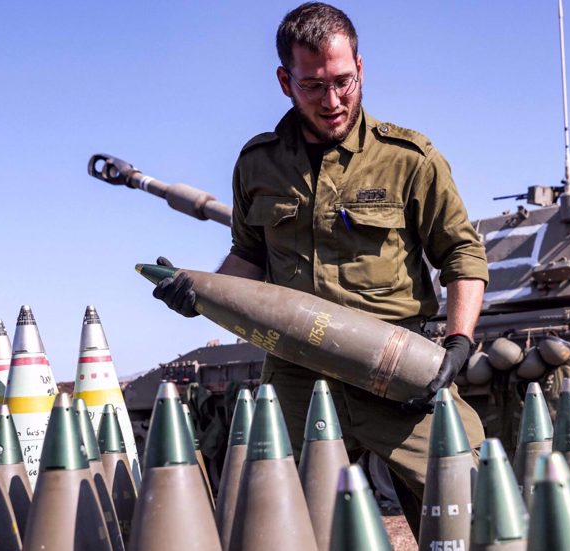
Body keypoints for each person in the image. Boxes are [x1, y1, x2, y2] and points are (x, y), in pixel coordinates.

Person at [153, 2, 489, 536]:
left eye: (343, 81)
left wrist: (458, 342)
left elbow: (462, 255)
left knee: (474, 507)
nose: (332, 100)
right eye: (313, 85)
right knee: (266, 519)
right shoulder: (257, 164)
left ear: (361, 66)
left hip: (395, 366)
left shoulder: (410, 158)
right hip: (295, 373)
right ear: (285, 81)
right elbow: (249, 257)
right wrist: (201, 291)